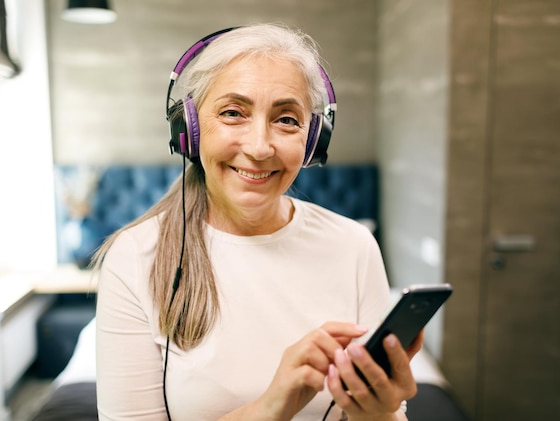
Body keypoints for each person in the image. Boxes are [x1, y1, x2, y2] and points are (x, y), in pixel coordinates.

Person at [93, 22, 423, 421]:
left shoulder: (354, 245)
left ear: (314, 139)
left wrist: (381, 412)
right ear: (190, 129)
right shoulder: (134, 257)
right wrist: (273, 405)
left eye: (286, 120)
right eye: (233, 113)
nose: (259, 147)